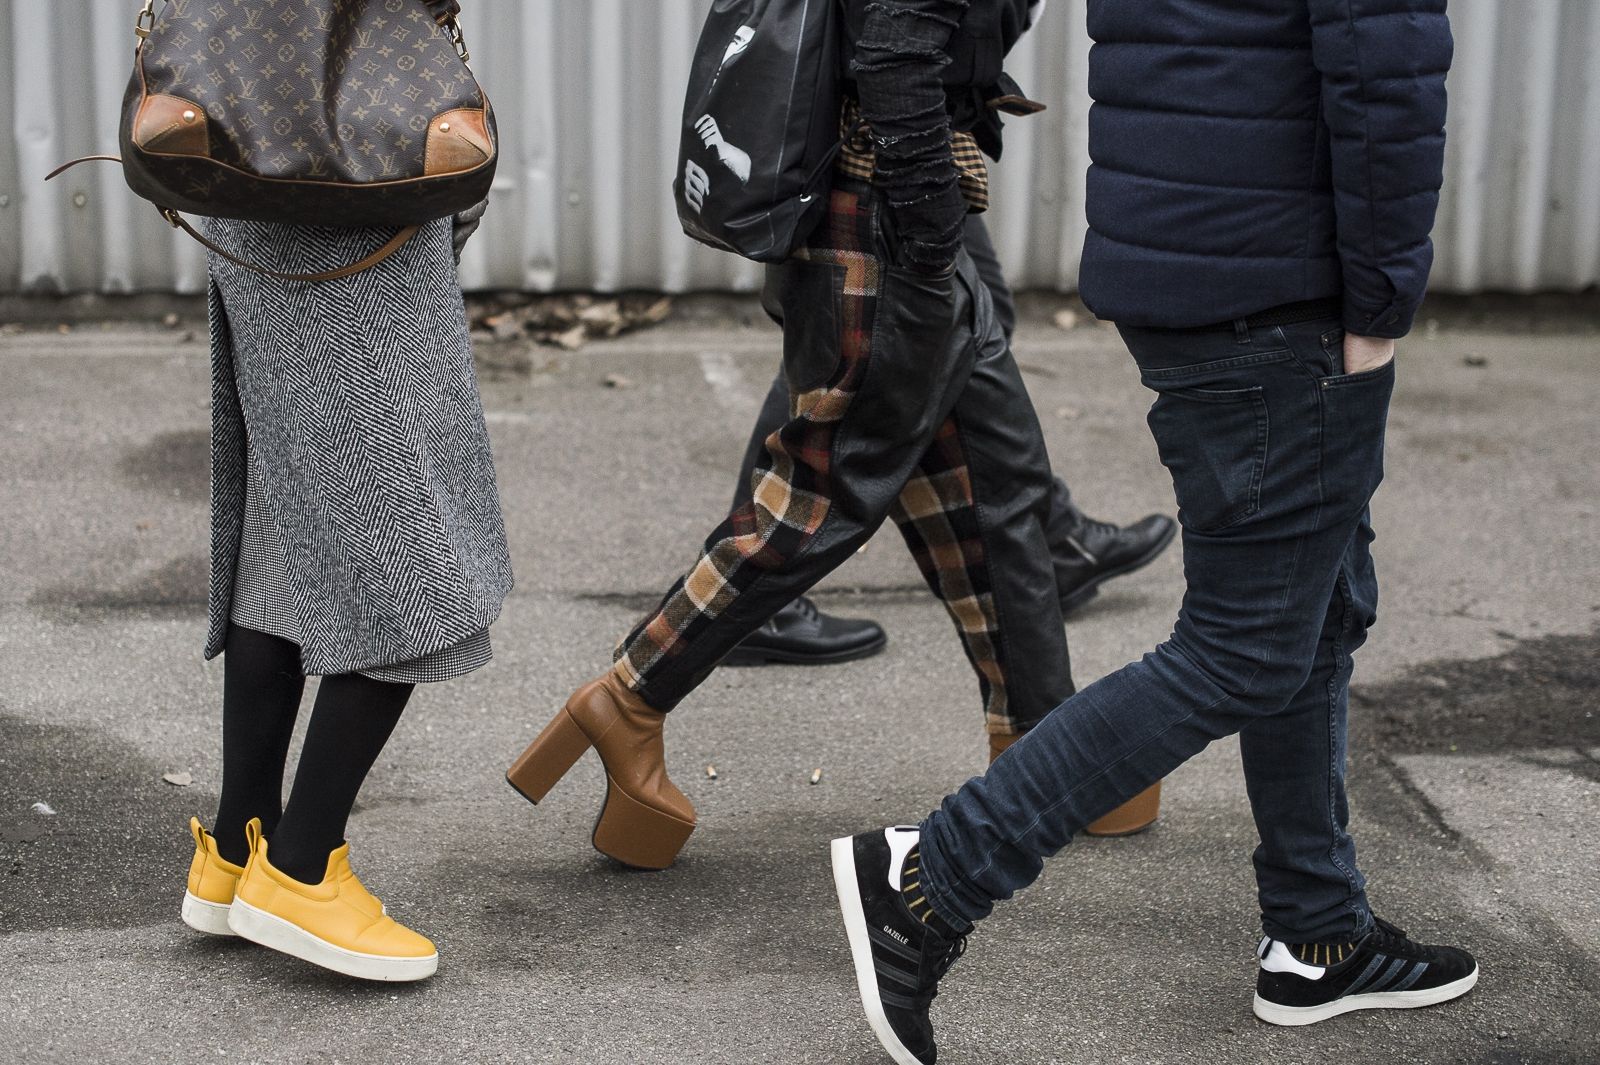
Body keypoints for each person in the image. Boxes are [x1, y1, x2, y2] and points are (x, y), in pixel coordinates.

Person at [830, 1, 1475, 1060]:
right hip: (1279, 283)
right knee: (1243, 645)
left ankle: (1318, 934)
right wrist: (1381, 304)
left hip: (1191, 255)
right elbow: (1382, 79)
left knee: (1315, 602)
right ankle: (929, 876)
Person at [504, 0, 1105, 870]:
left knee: (997, 481)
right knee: (818, 500)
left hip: (902, 219)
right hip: (889, 227)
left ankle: (1043, 744)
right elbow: (896, 54)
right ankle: (629, 697)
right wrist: (932, 247)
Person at [177, 3, 506, 983]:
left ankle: (238, 845)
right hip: (348, 177)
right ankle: (302, 869)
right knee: (413, 561)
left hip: (256, 160)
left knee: (290, 531)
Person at [723, 213, 1175, 670]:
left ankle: (1051, 536)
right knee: (889, 338)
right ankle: (749, 590)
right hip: (896, 181)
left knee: (951, 324)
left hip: (923, 176)